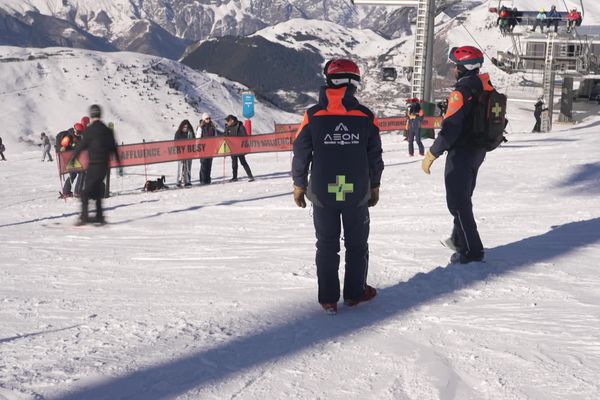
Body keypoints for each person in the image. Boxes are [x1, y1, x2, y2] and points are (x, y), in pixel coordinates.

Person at [292, 58, 384, 315]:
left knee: (326, 244)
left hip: (322, 192)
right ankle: (355, 293)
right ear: (354, 84)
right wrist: (374, 185)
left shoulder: (312, 116)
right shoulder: (366, 117)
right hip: (356, 192)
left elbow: (300, 152)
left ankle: (328, 299)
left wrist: (299, 184)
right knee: (357, 245)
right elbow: (374, 156)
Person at [421, 46, 491, 264]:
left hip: (461, 152)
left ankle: (472, 250)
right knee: (464, 196)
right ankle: (458, 239)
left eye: (456, 66)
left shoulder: (461, 93)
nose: (453, 69)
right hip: (477, 150)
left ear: (464, 68)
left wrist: (432, 154)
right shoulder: (484, 87)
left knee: (458, 202)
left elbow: (450, 129)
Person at [69, 105, 120, 225]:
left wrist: (73, 158)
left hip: (93, 165)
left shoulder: (89, 131)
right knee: (96, 191)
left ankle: (84, 217)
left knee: (85, 192)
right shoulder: (107, 130)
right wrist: (118, 161)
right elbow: (113, 147)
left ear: (91, 115)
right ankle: (99, 216)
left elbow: (81, 146)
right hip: (104, 167)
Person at [224, 115, 254, 182]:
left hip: (240, 148)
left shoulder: (240, 126)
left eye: (228, 121)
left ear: (232, 120)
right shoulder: (227, 127)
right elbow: (225, 136)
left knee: (243, 162)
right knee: (234, 163)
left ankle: (250, 176)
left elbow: (245, 136)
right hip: (232, 148)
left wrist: (240, 142)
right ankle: (234, 177)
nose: (227, 122)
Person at [196, 112, 220, 185]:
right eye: (207, 119)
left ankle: (208, 179)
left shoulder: (212, 127)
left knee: (209, 164)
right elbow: (198, 138)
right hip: (203, 148)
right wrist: (197, 146)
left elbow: (215, 137)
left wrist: (216, 146)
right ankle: (203, 180)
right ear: (203, 119)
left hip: (211, 148)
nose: (208, 120)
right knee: (204, 164)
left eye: (209, 118)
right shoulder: (201, 128)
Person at [174, 120, 194, 187]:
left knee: (188, 167)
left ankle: (187, 181)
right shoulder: (178, 133)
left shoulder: (191, 133)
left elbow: (194, 141)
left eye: (187, 127)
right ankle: (178, 181)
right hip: (181, 153)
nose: (185, 128)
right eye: (184, 127)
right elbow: (175, 143)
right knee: (180, 167)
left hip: (189, 152)